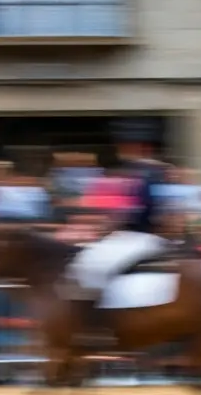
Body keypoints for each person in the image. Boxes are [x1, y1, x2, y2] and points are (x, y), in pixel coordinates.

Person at [66, 117, 173, 306]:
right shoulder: (152, 171)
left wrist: (109, 225)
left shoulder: (146, 172)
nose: (121, 149)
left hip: (139, 236)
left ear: (138, 146)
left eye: (125, 145)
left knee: (90, 264)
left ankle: (101, 312)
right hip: (135, 235)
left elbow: (135, 209)